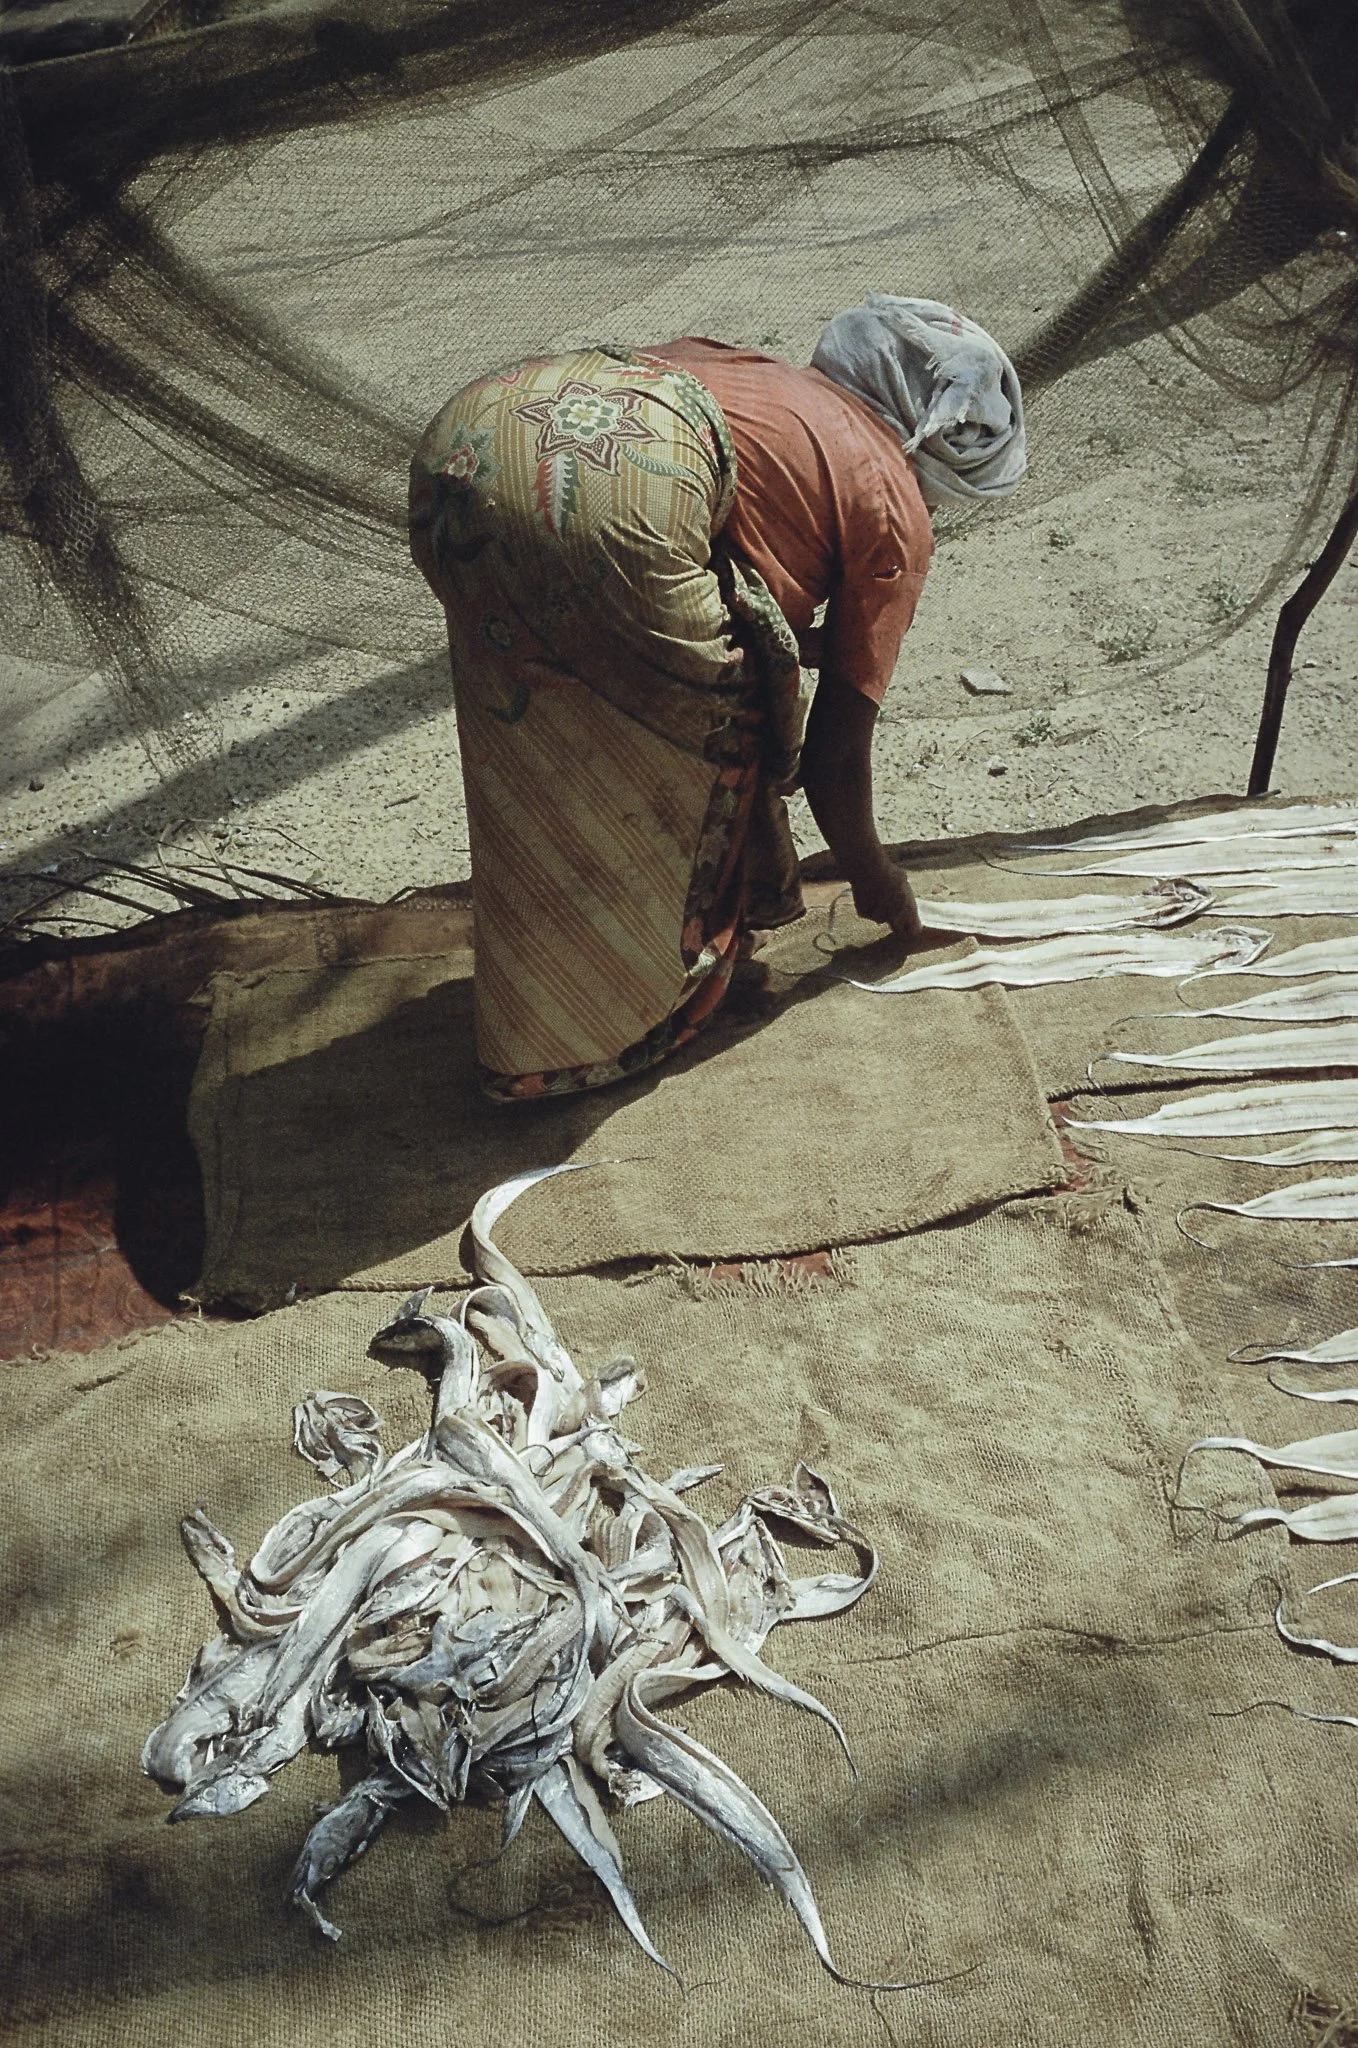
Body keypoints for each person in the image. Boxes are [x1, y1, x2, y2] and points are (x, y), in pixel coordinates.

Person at [409, 294, 1025, 1099]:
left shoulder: (753, 377)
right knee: (732, 729)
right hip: (627, 488)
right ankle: (601, 1031)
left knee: (555, 744)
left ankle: (546, 988)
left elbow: (731, 570)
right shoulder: (890, 499)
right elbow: (835, 757)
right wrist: (879, 879)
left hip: (477, 440)